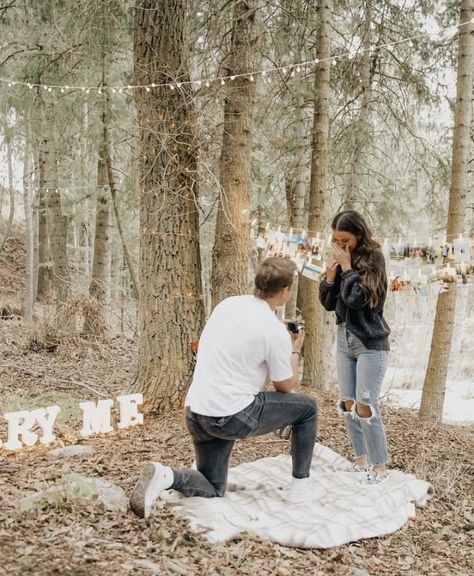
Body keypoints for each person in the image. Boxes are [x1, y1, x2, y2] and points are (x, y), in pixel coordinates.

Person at [130, 257, 318, 519]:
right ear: (286, 291)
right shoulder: (274, 332)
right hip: (232, 417)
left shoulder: (228, 305)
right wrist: (294, 350)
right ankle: (300, 487)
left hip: (197, 412)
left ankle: (166, 475)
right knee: (308, 408)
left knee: (214, 486)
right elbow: (285, 385)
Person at [319, 210, 391, 484]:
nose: (341, 244)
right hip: (344, 340)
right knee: (347, 404)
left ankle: (379, 466)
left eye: (345, 239)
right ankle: (360, 459)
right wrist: (329, 275)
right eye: (336, 239)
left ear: (359, 235)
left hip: (370, 344)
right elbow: (328, 303)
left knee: (365, 405)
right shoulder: (340, 257)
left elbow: (358, 299)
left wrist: (347, 268)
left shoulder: (375, 259)